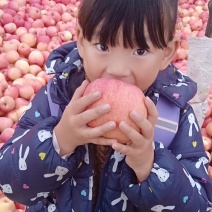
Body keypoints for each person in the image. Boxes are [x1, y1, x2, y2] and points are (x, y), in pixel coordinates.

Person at [0, 0, 212, 211]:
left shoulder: (174, 116)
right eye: (103, 46)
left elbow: (200, 206)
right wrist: (60, 140)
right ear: (82, 41)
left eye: (140, 51)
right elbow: (10, 183)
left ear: (167, 52)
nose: (118, 69)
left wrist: (148, 165)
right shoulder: (56, 97)